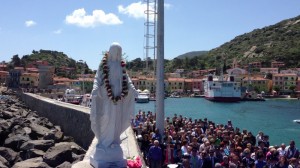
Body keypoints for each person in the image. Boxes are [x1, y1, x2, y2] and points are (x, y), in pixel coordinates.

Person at [89, 43, 138, 167]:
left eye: (119, 52)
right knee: (106, 118)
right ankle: (104, 143)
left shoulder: (121, 66)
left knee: (116, 120)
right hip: (106, 98)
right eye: (116, 52)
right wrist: (95, 89)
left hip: (119, 99)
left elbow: (127, 80)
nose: (117, 55)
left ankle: (114, 141)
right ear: (111, 52)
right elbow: (97, 79)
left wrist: (133, 90)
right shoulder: (104, 65)